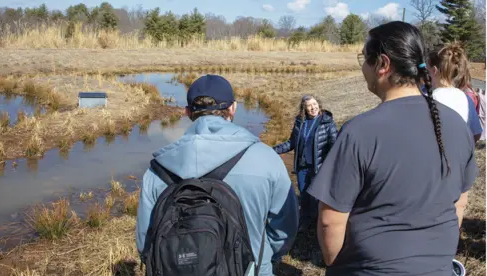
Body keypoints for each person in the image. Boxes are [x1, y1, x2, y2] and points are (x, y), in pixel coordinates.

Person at [308, 21, 478, 275]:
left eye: (365, 58)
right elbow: (459, 203)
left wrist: (335, 263)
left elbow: (330, 220)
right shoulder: (457, 124)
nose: (363, 66)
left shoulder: (359, 131)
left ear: (383, 64)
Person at [135, 74, 299, 276]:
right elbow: (285, 227)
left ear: (188, 112)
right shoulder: (267, 159)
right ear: (233, 108)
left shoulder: (157, 169)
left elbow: (145, 242)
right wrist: (264, 259)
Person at [272, 95, 337, 231]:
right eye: (309, 106)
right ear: (304, 108)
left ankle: (319, 225)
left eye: (314, 104)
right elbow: (292, 143)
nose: (313, 108)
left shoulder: (327, 122)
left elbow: (334, 146)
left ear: (318, 104)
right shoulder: (300, 122)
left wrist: (330, 167)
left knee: (316, 197)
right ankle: (305, 221)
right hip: (302, 167)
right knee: (304, 195)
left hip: (318, 168)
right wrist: (273, 150)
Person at [428, 43, 483, 142]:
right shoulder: (466, 99)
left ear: (434, 70)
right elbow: (476, 133)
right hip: (462, 154)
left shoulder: (427, 99)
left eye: (427, 69)